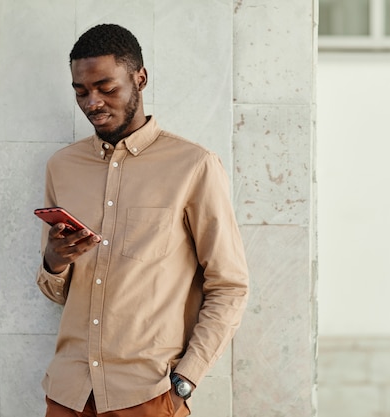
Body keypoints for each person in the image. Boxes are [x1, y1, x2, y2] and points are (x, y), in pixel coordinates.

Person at [36, 23, 249, 417]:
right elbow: (56, 292)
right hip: (67, 394)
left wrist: (186, 380)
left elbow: (229, 285)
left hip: (147, 397)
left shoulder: (194, 166)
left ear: (140, 78)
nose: (92, 102)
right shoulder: (62, 167)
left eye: (106, 88)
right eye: (81, 92)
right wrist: (55, 261)